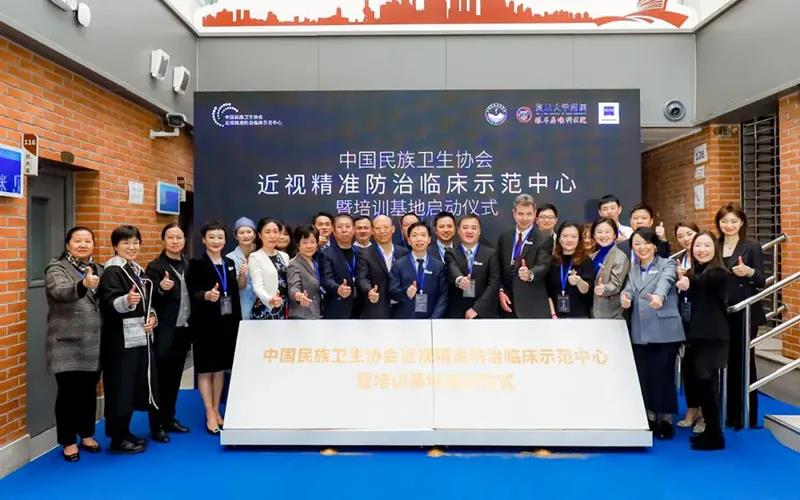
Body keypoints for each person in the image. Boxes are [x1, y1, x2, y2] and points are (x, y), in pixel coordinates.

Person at [97, 225, 158, 453]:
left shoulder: (135, 269)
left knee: (131, 385)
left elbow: (148, 302)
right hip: (119, 342)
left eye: (135, 243)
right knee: (120, 386)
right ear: (115, 246)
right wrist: (127, 300)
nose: (132, 247)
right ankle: (117, 438)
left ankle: (124, 431)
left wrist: (152, 317)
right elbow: (109, 302)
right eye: (126, 243)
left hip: (137, 337)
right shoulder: (113, 271)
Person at [45, 226, 103, 462]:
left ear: (93, 244)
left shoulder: (99, 268)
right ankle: (68, 441)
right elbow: (60, 291)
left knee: (89, 391)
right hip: (66, 344)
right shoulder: (56, 268)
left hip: (94, 343)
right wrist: (83, 284)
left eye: (87, 241)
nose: (82, 245)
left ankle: (87, 434)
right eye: (77, 240)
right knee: (68, 394)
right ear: (68, 244)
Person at [621, 227, 685, 440]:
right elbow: (628, 289)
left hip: (664, 330)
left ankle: (665, 418)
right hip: (640, 330)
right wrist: (624, 297)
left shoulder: (666, 264)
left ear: (655, 245)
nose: (642, 247)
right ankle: (648, 416)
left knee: (663, 375)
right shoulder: (633, 268)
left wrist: (659, 297)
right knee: (644, 375)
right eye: (637, 244)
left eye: (646, 242)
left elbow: (666, 283)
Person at [675, 231, 730, 451]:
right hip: (694, 336)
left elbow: (702, 282)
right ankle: (710, 431)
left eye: (707, 245)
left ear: (715, 248)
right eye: (698, 246)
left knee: (707, 383)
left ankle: (715, 434)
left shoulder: (718, 272)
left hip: (711, 336)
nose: (702, 250)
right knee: (699, 382)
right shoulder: (694, 270)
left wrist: (687, 280)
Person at [186, 221, 242, 434]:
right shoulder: (196, 264)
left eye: (220, 237)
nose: (216, 241)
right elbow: (192, 292)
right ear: (203, 239)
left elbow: (233, 294)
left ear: (225, 240)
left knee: (219, 369)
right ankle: (209, 411)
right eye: (211, 237)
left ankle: (217, 408)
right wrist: (206, 295)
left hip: (227, 324)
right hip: (204, 323)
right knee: (205, 368)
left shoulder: (229, 263)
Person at [716, 203, 765, 429]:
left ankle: (744, 415)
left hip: (744, 314)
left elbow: (762, 280)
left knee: (743, 363)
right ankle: (724, 411)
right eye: (724, 221)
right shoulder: (715, 245)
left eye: (733, 221)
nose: (729, 225)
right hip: (720, 312)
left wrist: (749, 272)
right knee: (722, 361)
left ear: (742, 223)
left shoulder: (751, 246)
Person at [145, 223, 192, 442]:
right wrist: (161, 289)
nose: (175, 241)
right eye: (171, 237)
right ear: (163, 240)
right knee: (160, 380)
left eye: (179, 237)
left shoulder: (188, 264)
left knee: (175, 378)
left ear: (184, 240)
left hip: (184, 330)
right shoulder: (155, 267)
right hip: (164, 331)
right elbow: (148, 299)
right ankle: (157, 425)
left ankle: (169, 418)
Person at [494, 194, 554, 319]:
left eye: (529, 214)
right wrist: (500, 290)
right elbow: (497, 267)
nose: (525, 218)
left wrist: (530, 274)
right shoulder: (505, 237)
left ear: (535, 214)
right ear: (514, 213)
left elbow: (543, 265)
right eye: (520, 214)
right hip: (506, 304)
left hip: (532, 305)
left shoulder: (544, 238)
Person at [673, 221, 703, 433]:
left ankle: (705, 414)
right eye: (681, 236)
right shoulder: (677, 259)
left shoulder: (705, 257)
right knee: (689, 367)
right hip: (685, 318)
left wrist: (689, 276)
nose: (686, 239)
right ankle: (692, 409)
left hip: (704, 318)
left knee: (704, 369)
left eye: (689, 234)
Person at [445, 215, 499, 319]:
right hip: (457, 314)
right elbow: (452, 269)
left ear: (479, 231)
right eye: (465, 228)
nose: (469, 231)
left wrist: (476, 309)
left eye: (474, 228)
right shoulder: (451, 253)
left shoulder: (491, 254)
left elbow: (494, 283)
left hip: (484, 313)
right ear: (458, 231)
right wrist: (460, 279)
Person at [390, 221, 447, 319]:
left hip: (431, 320)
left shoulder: (438, 266)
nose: (419, 239)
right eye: (414, 235)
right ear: (409, 240)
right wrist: (405, 292)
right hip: (404, 319)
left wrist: (434, 319)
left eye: (423, 235)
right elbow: (392, 291)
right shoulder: (398, 264)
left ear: (429, 240)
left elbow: (443, 296)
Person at [356, 214, 409, 319]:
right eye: (378, 228)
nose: (382, 231)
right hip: (377, 309)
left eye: (386, 227)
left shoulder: (404, 253)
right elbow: (362, 278)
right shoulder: (365, 254)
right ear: (372, 231)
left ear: (393, 229)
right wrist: (369, 291)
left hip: (402, 308)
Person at [546, 222, 596, 319]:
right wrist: (553, 314)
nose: (569, 240)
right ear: (559, 238)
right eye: (565, 236)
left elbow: (587, 289)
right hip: (555, 317)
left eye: (574, 236)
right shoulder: (552, 261)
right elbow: (547, 291)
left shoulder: (585, 260)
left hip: (580, 316)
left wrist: (578, 281)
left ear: (579, 239)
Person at [319, 213, 360, 319]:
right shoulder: (326, 254)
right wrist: (338, 289)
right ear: (334, 230)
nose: (344, 230)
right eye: (340, 227)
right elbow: (326, 279)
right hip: (338, 307)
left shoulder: (361, 252)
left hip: (361, 307)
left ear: (354, 230)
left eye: (348, 226)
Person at [248, 218, 290, 320]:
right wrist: (269, 299)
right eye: (267, 232)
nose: (272, 236)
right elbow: (257, 286)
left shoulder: (284, 256)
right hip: (266, 308)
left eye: (275, 232)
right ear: (259, 235)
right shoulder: (255, 257)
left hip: (284, 307)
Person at [591, 217, 630, 319]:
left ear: (614, 235)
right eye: (599, 232)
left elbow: (616, 285)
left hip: (611, 312)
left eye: (607, 232)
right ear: (594, 235)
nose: (603, 235)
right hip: (592, 309)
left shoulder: (620, 256)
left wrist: (604, 288)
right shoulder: (593, 256)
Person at [286, 225, 323, 319]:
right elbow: (293, 287)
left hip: (316, 314)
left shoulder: (316, 263)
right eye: (305, 242)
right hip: (301, 316)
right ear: (298, 245)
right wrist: (299, 296)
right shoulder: (294, 264)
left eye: (312, 242)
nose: (309, 246)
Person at [226, 217, 257, 320]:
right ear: (236, 236)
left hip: (262, 308)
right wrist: (242, 274)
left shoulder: (262, 254)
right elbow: (239, 286)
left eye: (249, 232)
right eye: (241, 232)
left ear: (254, 235)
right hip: (242, 306)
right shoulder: (229, 258)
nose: (245, 235)